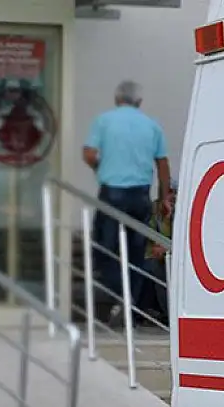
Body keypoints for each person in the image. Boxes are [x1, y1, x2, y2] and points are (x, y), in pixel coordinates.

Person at [82, 80, 172, 328]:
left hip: (112, 193)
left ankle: (117, 295)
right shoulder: (152, 125)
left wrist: (100, 168)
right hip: (140, 196)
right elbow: (162, 163)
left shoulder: (104, 121)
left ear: (116, 98)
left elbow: (89, 153)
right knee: (136, 253)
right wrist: (164, 196)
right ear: (139, 101)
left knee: (105, 249)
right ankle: (130, 303)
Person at [136, 178, 177, 327]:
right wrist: (164, 219)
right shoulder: (153, 210)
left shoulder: (181, 211)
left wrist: (169, 218)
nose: (172, 196)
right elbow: (150, 236)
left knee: (164, 268)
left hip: (174, 256)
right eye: (169, 192)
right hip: (152, 255)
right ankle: (167, 314)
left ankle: (169, 314)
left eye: (175, 192)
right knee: (155, 267)